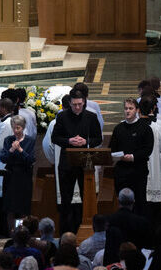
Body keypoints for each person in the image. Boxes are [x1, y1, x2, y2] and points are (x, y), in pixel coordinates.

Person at [51, 88, 102, 234]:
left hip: (85, 164)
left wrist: (86, 142)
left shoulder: (91, 117)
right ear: (70, 103)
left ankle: (87, 232)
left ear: (84, 102)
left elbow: (98, 138)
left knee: (87, 201)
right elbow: (55, 138)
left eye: (80, 104)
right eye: (74, 104)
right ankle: (64, 236)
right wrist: (69, 141)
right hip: (66, 164)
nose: (77, 107)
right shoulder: (62, 117)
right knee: (65, 202)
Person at [109, 98, 154, 213]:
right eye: (126, 108)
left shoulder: (145, 128)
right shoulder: (118, 128)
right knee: (122, 205)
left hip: (138, 172)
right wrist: (118, 156)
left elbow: (148, 150)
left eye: (131, 108)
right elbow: (111, 149)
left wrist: (133, 157)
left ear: (137, 110)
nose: (128, 111)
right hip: (121, 172)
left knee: (139, 203)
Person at [0, 115, 35, 225]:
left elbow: (31, 160)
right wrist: (11, 150)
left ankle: (22, 233)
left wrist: (20, 150)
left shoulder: (30, 141)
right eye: (13, 128)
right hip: (10, 177)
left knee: (23, 208)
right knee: (10, 209)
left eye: (18, 128)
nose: (15, 130)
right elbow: (3, 158)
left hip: (24, 176)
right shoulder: (8, 140)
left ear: (23, 127)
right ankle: (11, 234)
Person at [137, 96, 161, 222]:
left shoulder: (133, 126)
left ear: (138, 110)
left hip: (138, 167)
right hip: (155, 168)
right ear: (154, 108)